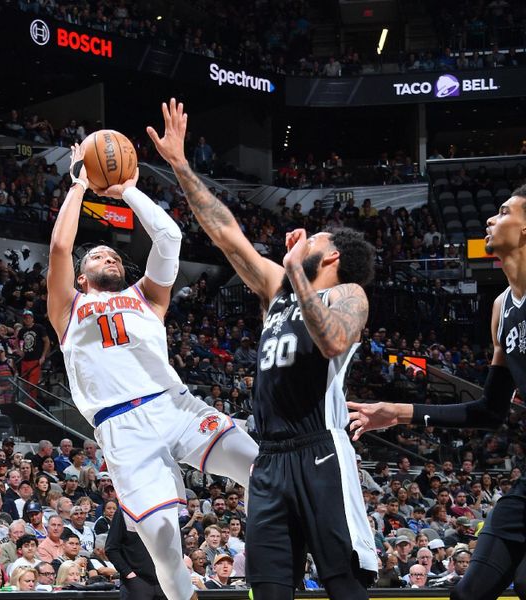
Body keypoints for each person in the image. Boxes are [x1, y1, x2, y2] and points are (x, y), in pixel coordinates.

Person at [146, 98, 377, 600]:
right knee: (269, 587)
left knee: (343, 584)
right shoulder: (280, 288)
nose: (300, 242)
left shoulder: (349, 295)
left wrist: (295, 268)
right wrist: (181, 166)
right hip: (268, 460)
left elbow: (332, 339)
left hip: (319, 449)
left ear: (331, 255)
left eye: (311, 239)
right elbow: (228, 237)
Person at [46, 142, 257, 600]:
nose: (110, 257)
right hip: (121, 428)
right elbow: (62, 244)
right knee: (163, 542)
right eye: (98, 256)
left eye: (114, 255)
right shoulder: (69, 307)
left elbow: (169, 239)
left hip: (175, 406)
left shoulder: (149, 298)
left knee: (260, 465)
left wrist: (129, 192)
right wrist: (81, 183)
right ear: (81, 277)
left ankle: (273, 564)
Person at [346, 185, 526, 600]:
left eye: (502, 211)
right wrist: (398, 411)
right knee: (466, 594)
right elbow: (489, 410)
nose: (490, 220)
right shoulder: (502, 307)